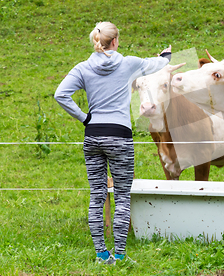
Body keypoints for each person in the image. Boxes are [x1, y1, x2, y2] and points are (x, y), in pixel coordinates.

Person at [54, 22, 172, 264]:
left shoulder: (83, 68)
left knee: (97, 196)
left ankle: (101, 254)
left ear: (95, 42)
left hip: (93, 134)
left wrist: (85, 118)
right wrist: (166, 55)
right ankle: (119, 255)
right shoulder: (129, 63)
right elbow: (158, 64)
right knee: (122, 196)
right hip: (119, 136)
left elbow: (60, 95)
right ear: (115, 41)